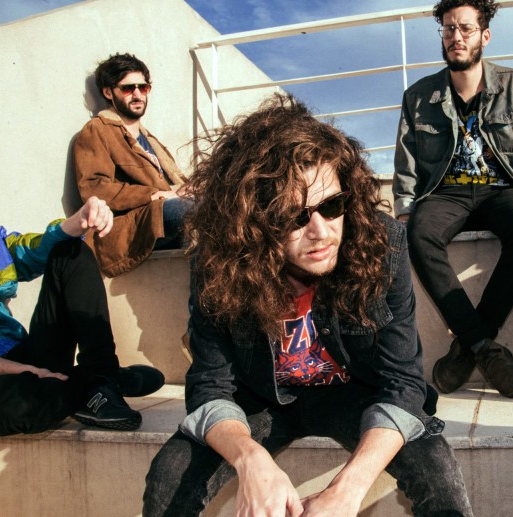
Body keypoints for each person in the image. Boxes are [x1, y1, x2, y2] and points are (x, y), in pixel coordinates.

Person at [142, 95, 472, 516]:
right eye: (293, 216)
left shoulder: (381, 243)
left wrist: (347, 490)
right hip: (260, 398)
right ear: (252, 222)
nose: (321, 231)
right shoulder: (220, 260)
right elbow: (210, 384)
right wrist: (249, 457)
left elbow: (402, 382)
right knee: (169, 477)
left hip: (354, 392)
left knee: (436, 467)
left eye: (332, 206)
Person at [0, 127, 164, 437]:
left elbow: (36, 249)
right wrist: (17, 369)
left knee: (70, 250)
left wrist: (80, 220)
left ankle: (100, 378)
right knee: (29, 404)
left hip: (23, 356)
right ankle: (98, 380)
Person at [392, 0, 513, 398]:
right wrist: (405, 210)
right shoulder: (418, 96)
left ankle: (467, 348)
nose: (456, 36)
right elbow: (407, 159)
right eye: (449, 29)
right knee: (419, 234)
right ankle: (485, 348)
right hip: (445, 193)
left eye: (466, 28)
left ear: (484, 36)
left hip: (501, 189)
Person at [73, 53, 190, 277]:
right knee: (195, 211)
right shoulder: (98, 130)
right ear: (108, 92)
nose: (137, 95)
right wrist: (154, 195)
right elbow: (94, 189)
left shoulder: (151, 140)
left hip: (164, 215)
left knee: (227, 211)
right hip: (134, 226)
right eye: (128, 89)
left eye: (143, 88)